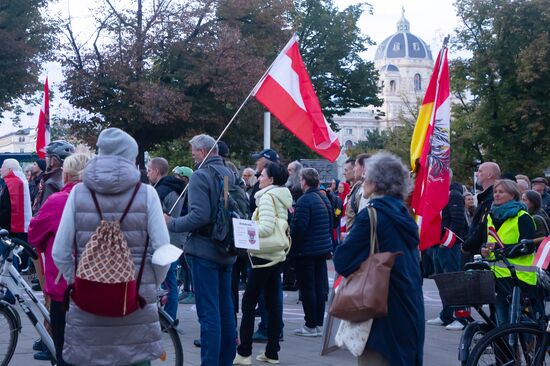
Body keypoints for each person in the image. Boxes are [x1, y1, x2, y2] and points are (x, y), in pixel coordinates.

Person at [52, 128, 171, 365]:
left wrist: (76, 280)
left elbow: (60, 251)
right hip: (135, 302)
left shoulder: (78, 193)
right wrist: (150, 282)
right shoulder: (147, 194)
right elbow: (163, 250)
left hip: (88, 304)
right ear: (131, 158)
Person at [333, 152, 424, 366]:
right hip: (410, 308)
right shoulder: (404, 214)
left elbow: (343, 262)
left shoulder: (372, 215)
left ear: (375, 184)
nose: (363, 182)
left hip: (380, 311)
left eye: (366, 178)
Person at [165, 134, 237, 366]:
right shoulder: (229, 173)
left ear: (203, 151)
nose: (193, 156)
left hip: (204, 250)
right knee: (226, 309)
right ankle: (225, 360)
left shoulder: (200, 175)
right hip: (227, 249)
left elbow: (199, 216)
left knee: (208, 313)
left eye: (194, 152)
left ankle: (209, 362)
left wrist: (172, 223)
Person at [28, 152, 90, 366]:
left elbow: (34, 234)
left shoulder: (59, 201)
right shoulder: (103, 200)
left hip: (64, 287)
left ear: (66, 176)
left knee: (65, 351)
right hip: (100, 285)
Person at [234, 162, 292, 365]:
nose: (259, 178)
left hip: (263, 257)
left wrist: (246, 229)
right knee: (273, 304)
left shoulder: (267, 197)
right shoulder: (281, 196)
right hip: (277, 254)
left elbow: (266, 228)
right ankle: (272, 352)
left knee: (249, 303)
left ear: (271, 179)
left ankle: (244, 352)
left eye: (262, 175)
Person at [480, 179, 537, 326]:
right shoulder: (491, 216)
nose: (497, 195)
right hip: (498, 277)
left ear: (512, 195)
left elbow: (528, 247)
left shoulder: (522, 216)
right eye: (495, 192)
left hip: (519, 278)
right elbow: (487, 242)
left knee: (521, 323)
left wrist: (500, 248)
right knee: (502, 322)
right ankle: (506, 349)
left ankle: (529, 348)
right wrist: (484, 251)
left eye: (501, 192)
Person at [290, 168, 332, 337]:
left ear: (304, 181)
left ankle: (310, 325)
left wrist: (292, 249)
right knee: (319, 287)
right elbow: (331, 223)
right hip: (322, 249)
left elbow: (299, 228)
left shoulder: (304, 200)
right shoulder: (323, 198)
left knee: (308, 288)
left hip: (306, 251)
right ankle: (318, 323)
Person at [147, 157, 185, 322]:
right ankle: (169, 315)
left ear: (156, 171)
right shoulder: (175, 188)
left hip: (166, 240)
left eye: (149, 170)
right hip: (175, 238)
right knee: (170, 282)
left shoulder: (161, 191)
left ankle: (168, 317)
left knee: (167, 282)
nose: (148, 173)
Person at [427, 182, 469, 331]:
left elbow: (457, 221)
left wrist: (446, 240)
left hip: (449, 245)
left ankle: (461, 317)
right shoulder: (437, 195)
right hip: (438, 244)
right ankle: (446, 315)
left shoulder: (453, 195)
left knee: (453, 281)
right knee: (442, 282)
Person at [462, 162, 501, 254]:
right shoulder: (485, 197)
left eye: (480, 171)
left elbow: (482, 226)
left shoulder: (491, 197)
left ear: (489, 175)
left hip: (484, 250)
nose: (477, 174)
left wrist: (467, 245)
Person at [33, 140, 75, 213]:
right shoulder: (65, 177)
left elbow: (44, 212)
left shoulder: (51, 183)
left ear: (53, 160)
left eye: (46, 156)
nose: (45, 159)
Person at [249, 149, 280, 213]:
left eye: (258, 160)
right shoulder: (279, 182)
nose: (256, 162)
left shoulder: (267, 184)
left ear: (265, 163)